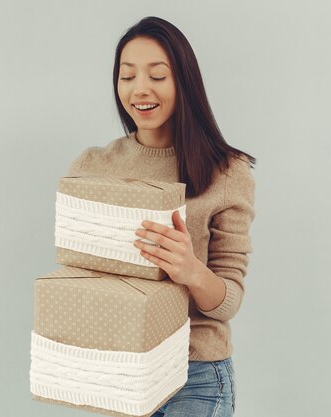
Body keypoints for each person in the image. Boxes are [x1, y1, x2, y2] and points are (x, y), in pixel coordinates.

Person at [66, 16, 256, 417]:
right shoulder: (92, 167)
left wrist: (190, 270)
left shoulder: (228, 172)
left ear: (183, 82)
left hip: (195, 374)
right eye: (127, 76)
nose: (139, 90)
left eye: (157, 75)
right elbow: (80, 276)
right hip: (119, 371)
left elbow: (228, 300)